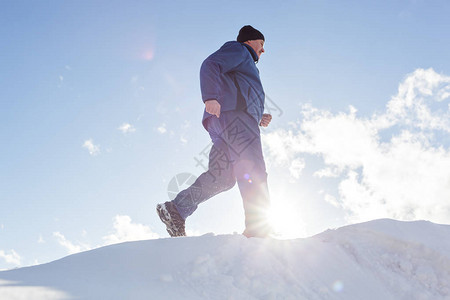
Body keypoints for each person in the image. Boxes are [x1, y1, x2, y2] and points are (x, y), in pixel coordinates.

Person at [157, 25, 272, 238]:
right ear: (249, 41)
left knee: (222, 178)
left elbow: (237, 89)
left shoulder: (243, 63)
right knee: (254, 168)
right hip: (237, 119)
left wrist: (258, 116)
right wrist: (210, 96)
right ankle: (259, 230)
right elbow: (210, 64)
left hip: (225, 123)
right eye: (261, 44)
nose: (263, 50)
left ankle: (177, 209)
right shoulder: (240, 51)